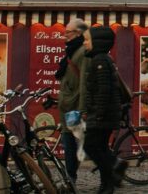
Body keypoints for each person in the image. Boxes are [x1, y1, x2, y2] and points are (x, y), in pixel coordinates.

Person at [82, 25, 128, 194]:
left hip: (103, 114)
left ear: (98, 42)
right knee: (100, 148)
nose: (85, 43)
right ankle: (107, 185)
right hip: (104, 113)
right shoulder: (102, 58)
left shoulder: (100, 60)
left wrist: (98, 114)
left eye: (87, 40)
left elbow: (103, 90)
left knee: (91, 147)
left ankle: (115, 165)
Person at [54, 18, 90, 186]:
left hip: (74, 107)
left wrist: (82, 108)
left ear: (79, 33)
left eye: (67, 32)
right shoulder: (72, 51)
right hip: (69, 105)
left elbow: (84, 82)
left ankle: (70, 179)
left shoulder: (82, 52)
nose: (64, 35)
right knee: (72, 143)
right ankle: (70, 178)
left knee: (71, 144)